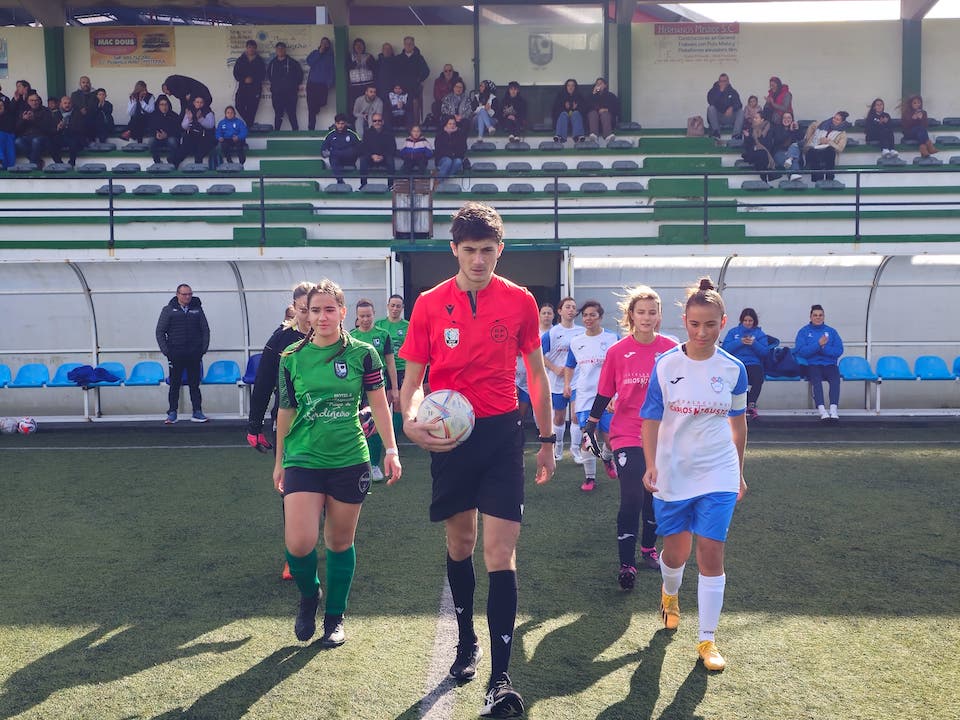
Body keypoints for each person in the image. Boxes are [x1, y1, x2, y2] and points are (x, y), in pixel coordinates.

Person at [399, 201, 555, 718]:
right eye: (469, 251)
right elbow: (413, 384)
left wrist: (549, 438)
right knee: (461, 541)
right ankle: (467, 639)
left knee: (499, 552)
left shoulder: (520, 302)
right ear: (454, 250)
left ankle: (501, 678)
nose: (479, 260)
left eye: (488, 250)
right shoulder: (427, 304)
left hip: (502, 436)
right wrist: (411, 421)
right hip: (449, 438)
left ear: (500, 250)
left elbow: (535, 373)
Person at [275, 279, 402, 647]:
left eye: (330, 309)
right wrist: (280, 460)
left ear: (343, 312)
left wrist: (391, 450)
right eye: (315, 310)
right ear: (306, 314)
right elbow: (286, 410)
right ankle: (309, 594)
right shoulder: (292, 358)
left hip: (349, 458)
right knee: (299, 543)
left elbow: (379, 404)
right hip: (303, 457)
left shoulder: (364, 354)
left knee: (339, 542)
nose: (322, 316)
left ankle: (334, 616)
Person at [640, 276, 748, 673]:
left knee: (711, 553)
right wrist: (651, 464)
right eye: (695, 324)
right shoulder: (666, 365)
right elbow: (650, 419)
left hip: (718, 472)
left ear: (724, 322)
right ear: (684, 321)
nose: (702, 332)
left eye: (711, 325)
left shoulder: (735, 369)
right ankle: (670, 595)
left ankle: (707, 639)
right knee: (676, 553)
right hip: (673, 472)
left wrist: (738, 472)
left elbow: (738, 425)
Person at [585, 286, 677, 586]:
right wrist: (592, 422)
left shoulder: (672, 349)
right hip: (626, 433)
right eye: (641, 312)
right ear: (631, 316)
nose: (647, 317)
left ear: (659, 316)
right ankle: (627, 564)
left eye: (652, 312)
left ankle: (649, 549)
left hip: (663, 436)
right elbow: (604, 391)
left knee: (654, 496)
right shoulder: (617, 351)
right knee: (632, 498)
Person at [247, 283, 314, 581]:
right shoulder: (281, 340)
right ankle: (294, 555)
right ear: (295, 309)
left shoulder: (335, 337)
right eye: (304, 311)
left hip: (326, 426)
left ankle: (314, 544)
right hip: (289, 425)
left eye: (314, 310)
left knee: (323, 494)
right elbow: (262, 383)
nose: (310, 318)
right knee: (291, 491)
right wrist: (254, 425)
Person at [564, 300, 619, 492]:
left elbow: (620, 368)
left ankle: (606, 457)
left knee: (612, 440)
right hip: (585, 397)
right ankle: (590, 478)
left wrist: (618, 393)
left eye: (592, 315)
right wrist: (567, 385)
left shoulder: (613, 339)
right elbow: (570, 366)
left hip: (608, 396)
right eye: (585, 315)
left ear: (600, 317)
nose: (588, 318)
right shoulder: (576, 342)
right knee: (588, 439)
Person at [350, 299, 399, 481]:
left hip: (377, 388)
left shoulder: (383, 335)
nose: (365, 319)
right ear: (357, 317)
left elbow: (390, 362)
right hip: (355, 389)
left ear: (374, 315)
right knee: (356, 425)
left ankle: (375, 465)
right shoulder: (350, 336)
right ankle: (357, 463)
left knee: (377, 424)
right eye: (362, 316)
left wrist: (395, 388)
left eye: (368, 315)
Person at [155, 284, 210, 424]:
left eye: (189, 294)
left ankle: (197, 412)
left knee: (194, 384)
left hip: (194, 354)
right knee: (174, 384)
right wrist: (167, 351)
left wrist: (202, 350)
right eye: (184, 294)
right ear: (178, 294)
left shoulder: (197, 309)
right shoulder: (168, 310)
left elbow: (205, 330)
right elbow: (160, 331)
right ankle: (172, 412)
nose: (187, 297)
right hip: (175, 354)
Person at [541, 296, 584, 463]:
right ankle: (557, 447)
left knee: (575, 416)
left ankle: (575, 450)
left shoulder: (581, 332)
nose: (571, 310)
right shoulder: (552, 333)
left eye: (574, 307)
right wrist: (553, 367)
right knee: (558, 417)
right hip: (557, 383)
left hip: (577, 380)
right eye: (568, 307)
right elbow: (539, 355)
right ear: (560, 311)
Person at [795, 304, 844, 420]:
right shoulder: (804, 331)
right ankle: (822, 410)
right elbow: (801, 351)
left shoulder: (831, 332)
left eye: (820, 315)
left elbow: (838, 350)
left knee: (835, 379)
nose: (818, 317)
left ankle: (833, 409)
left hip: (830, 364)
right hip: (812, 364)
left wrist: (823, 348)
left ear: (824, 317)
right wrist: (818, 345)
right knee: (816, 381)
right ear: (810, 317)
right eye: (815, 315)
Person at [721, 308, 771, 420]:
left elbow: (765, 352)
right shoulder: (733, 332)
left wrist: (754, 344)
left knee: (758, 377)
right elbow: (725, 349)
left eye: (750, 321)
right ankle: (741, 405)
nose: (748, 323)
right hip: (736, 363)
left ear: (754, 321)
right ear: (742, 321)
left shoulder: (759, 334)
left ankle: (751, 403)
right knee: (736, 379)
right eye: (745, 320)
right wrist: (740, 342)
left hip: (753, 363)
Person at [375, 294, 409, 438]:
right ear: (388, 306)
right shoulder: (379, 325)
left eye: (398, 306)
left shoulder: (407, 326)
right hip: (383, 368)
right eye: (392, 305)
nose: (395, 309)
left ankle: (396, 436)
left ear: (402, 308)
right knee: (384, 400)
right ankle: (381, 434)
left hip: (401, 368)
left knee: (398, 402)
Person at [802, 111, 849, 182]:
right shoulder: (822, 124)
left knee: (830, 150)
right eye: (834, 118)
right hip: (814, 150)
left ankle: (829, 179)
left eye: (837, 119)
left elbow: (840, 149)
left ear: (842, 122)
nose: (834, 120)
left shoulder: (842, 134)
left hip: (826, 154)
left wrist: (829, 142)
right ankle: (817, 179)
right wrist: (809, 141)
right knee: (812, 151)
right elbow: (812, 125)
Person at [267, 42, 303, 131]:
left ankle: (296, 135)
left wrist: (294, 86)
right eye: (278, 49)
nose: (280, 50)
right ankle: (276, 135)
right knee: (278, 115)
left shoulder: (292, 62)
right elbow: (269, 76)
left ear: (285, 50)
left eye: (282, 48)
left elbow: (300, 75)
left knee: (292, 114)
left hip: (290, 94)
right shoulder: (272, 63)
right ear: (276, 50)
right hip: (277, 94)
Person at [395, 36, 430, 125]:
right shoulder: (399, 58)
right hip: (401, 89)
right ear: (404, 45)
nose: (408, 45)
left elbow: (426, 71)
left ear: (414, 45)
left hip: (414, 89)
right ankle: (401, 124)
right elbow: (394, 72)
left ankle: (415, 127)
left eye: (410, 44)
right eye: (406, 44)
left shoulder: (419, 58)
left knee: (414, 104)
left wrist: (419, 80)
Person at [14, 92, 54, 168]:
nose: (34, 102)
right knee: (17, 141)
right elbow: (16, 129)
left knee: (36, 141)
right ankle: (37, 161)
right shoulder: (23, 111)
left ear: (39, 101)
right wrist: (23, 120)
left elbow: (47, 129)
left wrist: (34, 120)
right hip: (26, 137)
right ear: (28, 102)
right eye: (31, 100)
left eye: (36, 100)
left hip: (42, 137)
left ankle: (33, 164)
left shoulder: (46, 111)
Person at [233, 39, 266, 128]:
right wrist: (244, 79)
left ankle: (249, 129)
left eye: (253, 48)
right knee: (238, 105)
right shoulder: (240, 60)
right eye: (249, 47)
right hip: (243, 88)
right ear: (246, 48)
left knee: (252, 109)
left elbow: (263, 75)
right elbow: (236, 73)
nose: (251, 49)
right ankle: (250, 124)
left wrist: (253, 79)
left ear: (256, 49)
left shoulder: (260, 61)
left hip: (255, 88)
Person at [320, 113, 361, 184]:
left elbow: (360, 148)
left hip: (349, 159)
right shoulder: (330, 135)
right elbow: (323, 151)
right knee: (333, 157)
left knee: (344, 151)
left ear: (345, 123)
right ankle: (340, 181)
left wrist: (335, 152)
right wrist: (328, 153)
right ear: (335, 123)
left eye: (342, 123)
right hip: (337, 160)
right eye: (338, 123)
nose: (340, 126)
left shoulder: (352, 134)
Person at [358, 112, 395, 188]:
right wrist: (372, 155)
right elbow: (364, 148)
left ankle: (391, 185)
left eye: (379, 120)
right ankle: (363, 185)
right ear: (372, 122)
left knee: (390, 160)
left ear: (383, 122)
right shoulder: (367, 133)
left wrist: (382, 156)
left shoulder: (389, 133)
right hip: (371, 158)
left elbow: (392, 148)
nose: (377, 122)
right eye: (375, 121)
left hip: (384, 158)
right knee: (363, 160)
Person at [305, 37, 335, 131]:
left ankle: (316, 108)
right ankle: (311, 128)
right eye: (323, 43)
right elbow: (309, 62)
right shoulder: (315, 52)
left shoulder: (330, 56)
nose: (324, 45)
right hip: (312, 84)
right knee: (311, 108)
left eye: (326, 43)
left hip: (322, 85)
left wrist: (329, 83)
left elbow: (332, 70)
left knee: (321, 103)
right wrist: (319, 52)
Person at [706, 73, 744, 140]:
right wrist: (720, 92)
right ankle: (716, 132)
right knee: (711, 108)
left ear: (728, 82)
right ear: (718, 82)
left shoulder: (733, 91)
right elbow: (711, 101)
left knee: (741, 111)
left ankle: (736, 135)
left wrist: (732, 108)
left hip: (730, 117)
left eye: (724, 81)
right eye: (721, 81)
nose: (723, 83)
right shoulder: (713, 91)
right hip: (719, 117)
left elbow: (739, 104)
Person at [180, 95, 216, 165]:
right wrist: (189, 119)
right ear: (194, 103)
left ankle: (198, 169)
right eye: (197, 102)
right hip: (191, 137)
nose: (199, 104)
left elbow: (210, 125)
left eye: (201, 102)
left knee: (199, 153)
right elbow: (183, 126)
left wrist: (200, 119)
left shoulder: (208, 112)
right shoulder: (189, 112)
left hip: (204, 137)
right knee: (183, 149)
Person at [51, 96, 85, 166]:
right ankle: (59, 163)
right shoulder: (56, 114)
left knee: (73, 142)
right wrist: (58, 128)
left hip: (73, 136)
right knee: (51, 143)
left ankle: (72, 164)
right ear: (61, 104)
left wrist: (66, 126)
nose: (67, 105)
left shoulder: (77, 113)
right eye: (65, 103)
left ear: (72, 104)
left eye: (69, 103)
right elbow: (51, 128)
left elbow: (80, 128)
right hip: (60, 136)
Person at [770, 111, 804, 178]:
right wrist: (789, 131)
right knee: (792, 161)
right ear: (781, 119)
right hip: (779, 152)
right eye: (784, 118)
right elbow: (778, 140)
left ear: (792, 119)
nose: (786, 120)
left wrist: (797, 130)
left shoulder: (797, 127)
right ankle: (795, 174)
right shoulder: (777, 128)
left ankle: (790, 160)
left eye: (789, 118)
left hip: (794, 152)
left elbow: (801, 141)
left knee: (794, 146)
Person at [148, 95, 181, 165]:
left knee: (172, 141)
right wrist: (156, 134)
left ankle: (171, 161)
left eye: (166, 104)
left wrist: (167, 135)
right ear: (158, 105)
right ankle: (157, 162)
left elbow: (178, 131)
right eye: (162, 104)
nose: (164, 107)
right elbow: (150, 129)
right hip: (158, 138)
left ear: (169, 105)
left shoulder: (174, 115)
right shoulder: (153, 115)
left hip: (170, 137)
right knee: (151, 141)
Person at [586, 77, 620, 143]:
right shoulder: (591, 95)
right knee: (593, 113)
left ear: (605, 85)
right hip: (593, 122)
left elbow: (617, 109)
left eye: (600, 83)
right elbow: (586, 107)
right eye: (597, 84)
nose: (598, 85)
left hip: (607, 121)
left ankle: (608, 136)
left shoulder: (611, 96)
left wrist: (606, 109)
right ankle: (594, 136)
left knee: (605, 114)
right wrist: (593, 94)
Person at [346, 38, 376, 111]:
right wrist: (357, 61)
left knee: (368, 105)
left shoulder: (369, 56)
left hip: (368, 85)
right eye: (357, 45)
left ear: (364, 46)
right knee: (356, 106)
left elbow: (374, 68)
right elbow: (347, 67)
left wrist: (366, 61)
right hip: (355, 86)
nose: (359, 47)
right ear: (354, 47)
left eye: (361, 45)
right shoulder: (350, 56)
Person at [552, 78, 585, 144]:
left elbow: (584, 110)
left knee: (576, 113)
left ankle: (578, 137)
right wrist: (564, 107)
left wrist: (576, 108)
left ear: (575, 87)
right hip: (563, 120)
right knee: (563, 114)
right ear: (566, 87)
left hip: (576, 121)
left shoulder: (580, 96)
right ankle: (560, 137)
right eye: (568, 85)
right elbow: (555, 110)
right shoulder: (560, 96)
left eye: (572, 85)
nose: (570, 87)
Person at [435, 116, 468, 180]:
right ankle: (439, 182)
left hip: (455, 157)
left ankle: (445, 177)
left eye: (454, 124)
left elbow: (463, 148)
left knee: (458, 161)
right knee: (448, 161)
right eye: (450, 124)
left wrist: (456, 154)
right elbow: (439, 149)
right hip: (442, 158)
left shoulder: (460, 134)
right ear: (446, 124)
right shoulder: (440, 134)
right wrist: (450, 154)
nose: (452, 125)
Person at [69, 75, 98, 144]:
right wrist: (81, 109)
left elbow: (95, 106)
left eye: (87, 82)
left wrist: (86, 110)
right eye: (83, 82)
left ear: (90, 84)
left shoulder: (95, 94)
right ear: (80, 84)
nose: (85, 84)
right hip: (79, 119)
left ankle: (91, 141)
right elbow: (75, 105)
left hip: (92, 118)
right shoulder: (74, 94)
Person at [0, 94, 15, 169]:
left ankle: (1, 161)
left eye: (1, 105)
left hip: (8, 135)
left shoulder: (8, 116)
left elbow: (9, 128)